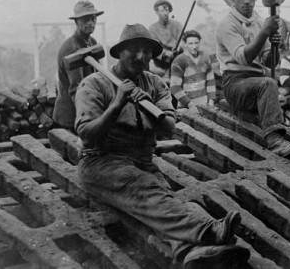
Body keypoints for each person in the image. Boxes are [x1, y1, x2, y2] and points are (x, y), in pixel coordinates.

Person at [75, 23, 249, 268]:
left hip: (142, 163)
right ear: (119, 52)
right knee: (148, 188)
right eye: (133, 50)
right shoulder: (94, 83)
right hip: (101, 162)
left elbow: (169, 127)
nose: (140, 57)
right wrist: (116, 104)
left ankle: (189, 252)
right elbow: (87, 134)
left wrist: (149, 108)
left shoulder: (155, 84)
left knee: (172, 201)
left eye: (146, 51)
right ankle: (210, 231)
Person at [215, 0, 290, 159]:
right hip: (235, 84)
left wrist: (275, 45)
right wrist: (264, 32)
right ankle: (275, 141)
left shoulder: (259, 21)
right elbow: (243, 58)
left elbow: (269, 62)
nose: (247, 0)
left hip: (255, 82)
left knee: (267, 82)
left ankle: (278, 133)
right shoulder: (226, 24)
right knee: (268, 83)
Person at [53, 0, 103, 131]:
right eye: (86, 19)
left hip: (84, 110)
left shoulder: (92, 42)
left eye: (93, 18)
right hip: (71, 117)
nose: (91, 23)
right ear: (76, 22)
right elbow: (76, 90)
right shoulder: (71, 49)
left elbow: (97, 75)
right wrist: (88, 120)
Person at [170, 30, 216, 112]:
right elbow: (174, 87)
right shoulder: (179, 60)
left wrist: (211, 101)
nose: (194, 46)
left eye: (196, 43)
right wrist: (190, 105)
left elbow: (210, 81)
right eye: (190, 44)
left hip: (204, 104)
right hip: (186, 107)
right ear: (185, 44)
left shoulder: (205, 57)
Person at [149, 0, 183, 78]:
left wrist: (179, 47)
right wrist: (165, 54)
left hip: (178, 57)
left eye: (167, 10)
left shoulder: (177, 25)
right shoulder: (152, 28)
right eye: (162, 11)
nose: (165, 13)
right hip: (161, 62)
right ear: (157, 12)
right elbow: (154, 46)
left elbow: (182, 39)